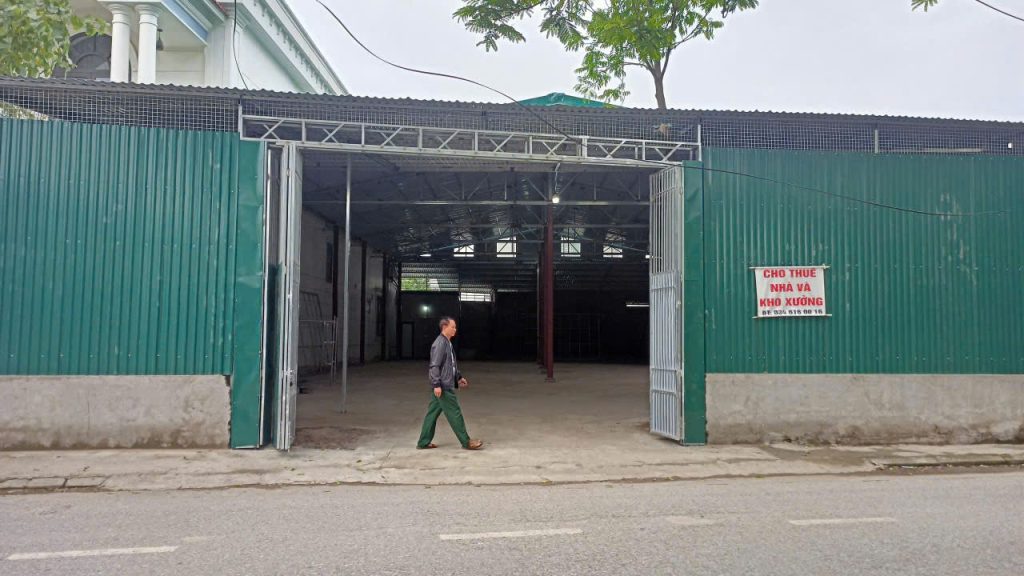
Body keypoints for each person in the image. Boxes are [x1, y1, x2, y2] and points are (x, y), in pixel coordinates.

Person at [416, 317, 484, 450]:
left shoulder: (447, 342)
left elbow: (449, 365)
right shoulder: (440, 343)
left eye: (455, 327)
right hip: (443, 386)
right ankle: (466, 442)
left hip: (443, 384)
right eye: (452, 327)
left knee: (432, 414)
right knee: (455, 413)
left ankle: (423, 442)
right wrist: (436, 385)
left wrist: (458, 377)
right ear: (444, 327)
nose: (455, 329)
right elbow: (434, 366)